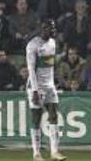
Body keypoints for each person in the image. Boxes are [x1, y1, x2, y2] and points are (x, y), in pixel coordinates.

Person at [26, 20, 66, 161]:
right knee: (36, 118)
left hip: (49, 85)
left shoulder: (53, 43)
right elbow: (31, 68)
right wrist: (35, 90)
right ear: (44, 28)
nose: (54, 30)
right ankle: (36, 153)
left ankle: (54, 152)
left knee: (53, 115)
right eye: (51, 28)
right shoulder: (33, 45)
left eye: (55, 27)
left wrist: (54, 82)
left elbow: (50, 66)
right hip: (36, 86)